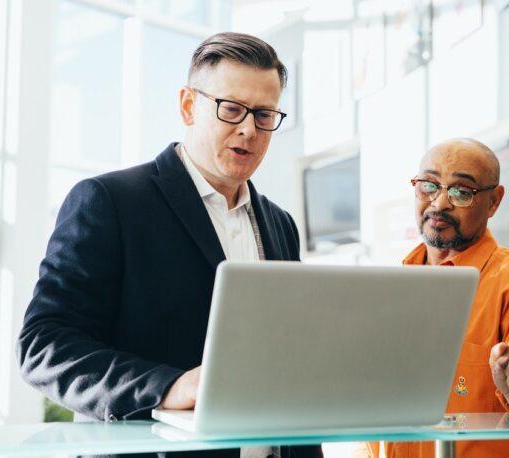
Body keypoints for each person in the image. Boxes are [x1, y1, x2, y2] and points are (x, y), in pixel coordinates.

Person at [17, 32, 321, 458]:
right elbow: (44, 347)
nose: (249, 129)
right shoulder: (109, 202)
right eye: (232, 109)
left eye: (264, 114)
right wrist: (169, 387)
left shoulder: (280, 224)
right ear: (188, 106)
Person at [367, 138, 509, 458]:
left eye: (462, 191)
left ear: (493, 202)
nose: (439, 203)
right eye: (429, 185)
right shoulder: (393, 288)